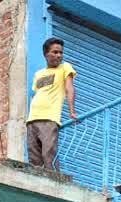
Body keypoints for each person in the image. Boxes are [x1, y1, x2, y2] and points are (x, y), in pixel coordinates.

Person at [25, 37, 76, 170]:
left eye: (61, 52)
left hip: (49, 118)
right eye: (55, 52)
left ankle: (55, 182)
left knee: (49, 155)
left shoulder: (65, 67)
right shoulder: (38, 74)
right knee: (34, 160)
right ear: (46, 54)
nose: (59, 55)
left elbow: (69, 88)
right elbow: (37, 95)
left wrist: (72, 111)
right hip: (32, 120)